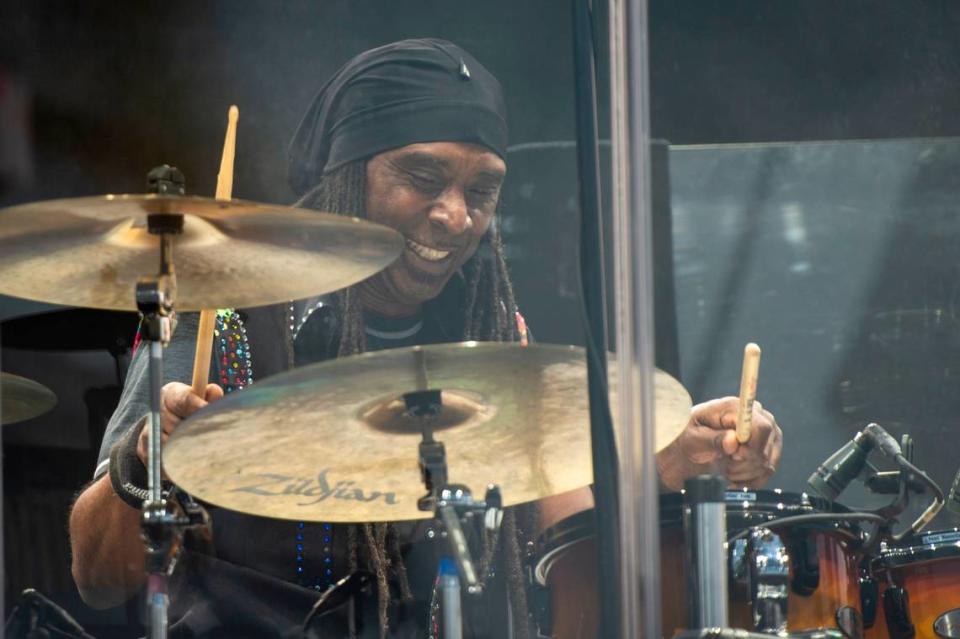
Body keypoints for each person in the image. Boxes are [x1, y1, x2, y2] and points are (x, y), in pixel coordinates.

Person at [68, 38, 782, 638]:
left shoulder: (493, 332)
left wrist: (673, 459)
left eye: (482, 190)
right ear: (348, 177)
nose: (454, 217)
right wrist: (147, 458)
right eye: (422, 177)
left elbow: (566, 531)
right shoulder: (224, 318)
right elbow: (95, 577)